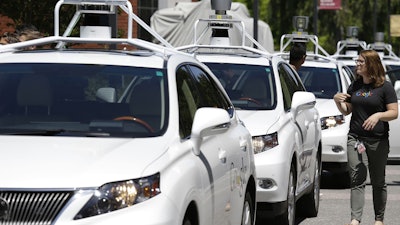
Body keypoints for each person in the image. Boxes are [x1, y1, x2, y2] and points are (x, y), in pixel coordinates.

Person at [333, 49, 398, 225]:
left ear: (371, 64)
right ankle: (355, 219)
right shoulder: (355, 86)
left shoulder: (385, 87)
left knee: (378, 181)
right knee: (357, 179)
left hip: (378, 140)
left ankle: (379, 219)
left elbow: (394, 113)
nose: (357, 64)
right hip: (356, 138)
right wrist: (337, 101)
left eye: (361, 62)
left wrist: (378, 116)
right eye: (357, 61)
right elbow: (347, 111)